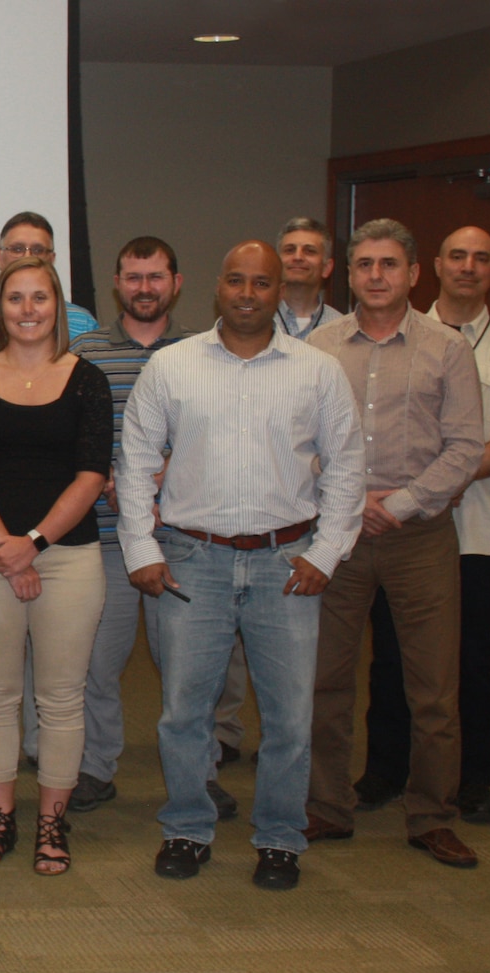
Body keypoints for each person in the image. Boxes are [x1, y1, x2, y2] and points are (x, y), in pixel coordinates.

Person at [120, 240, 364, 889]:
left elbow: (346, 469)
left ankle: (280, 837)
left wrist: (326, 551)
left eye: (262, 282)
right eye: (237, 281)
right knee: (183, 711)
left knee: (288, 716)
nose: (249, 293)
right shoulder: (172, 367)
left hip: (286, 563)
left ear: (279, 289)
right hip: (191, 559)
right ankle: (187, 827)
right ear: (216, 288)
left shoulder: (317, 371)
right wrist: (141, 549)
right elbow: (137, 462)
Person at [359, 226, 490, 825]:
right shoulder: (398, 338)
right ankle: (386, 772)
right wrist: (410, 501)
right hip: (399, 533)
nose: (468, 267)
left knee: (469, 663)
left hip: (478, 537)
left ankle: (471, 781)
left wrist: (440, 484)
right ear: (433, 267)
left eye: (482, 259)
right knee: (391, 659)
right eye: (458, 256)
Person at [307, 219, 485, 868]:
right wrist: (353, 504)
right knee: (325, 682)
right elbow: (302, 444)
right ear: (347, 274)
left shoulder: (447, 349)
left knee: (433, 687)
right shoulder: (320, 349)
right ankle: (326, 807)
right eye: (363, 265)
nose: (375, 276)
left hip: (422, 537)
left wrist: (401, 505)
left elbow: (465, 446)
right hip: (339, 537)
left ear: (414, 274)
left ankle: (432, 815)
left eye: (388, 264)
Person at [67, 236, 247, 814]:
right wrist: (107, 481)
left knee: (192, 671)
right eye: (133, 277)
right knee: (97, 664)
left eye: (155, 277)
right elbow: (69, 436)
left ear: (176, 282)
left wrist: (158, 478)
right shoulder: (83, 351)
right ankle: (94, 769)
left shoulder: (208, 350)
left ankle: (201, 774)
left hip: (188, 539)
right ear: (117, 282)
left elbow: (227, 434)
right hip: (104, 536)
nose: (144, 288)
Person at [0, 257, 111, 875]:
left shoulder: (88, 381)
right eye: (15, 298)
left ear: (58, 307)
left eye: (40, 297)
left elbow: (92, 474)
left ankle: (51, 824)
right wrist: (6, 551)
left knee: (62, 699)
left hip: (68, 558)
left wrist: (33, 544)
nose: (28, 309)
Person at [0, 211, 98, 337]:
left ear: (51, 259)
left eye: (38, 250)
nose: (27, 257)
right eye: (17, 249)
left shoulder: (84, 324)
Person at [274, 216, 344, 341]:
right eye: (290, 250)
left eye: (309, 251)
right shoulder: (257, 320)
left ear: (326, 268)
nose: (298, 257)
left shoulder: (343, 329)